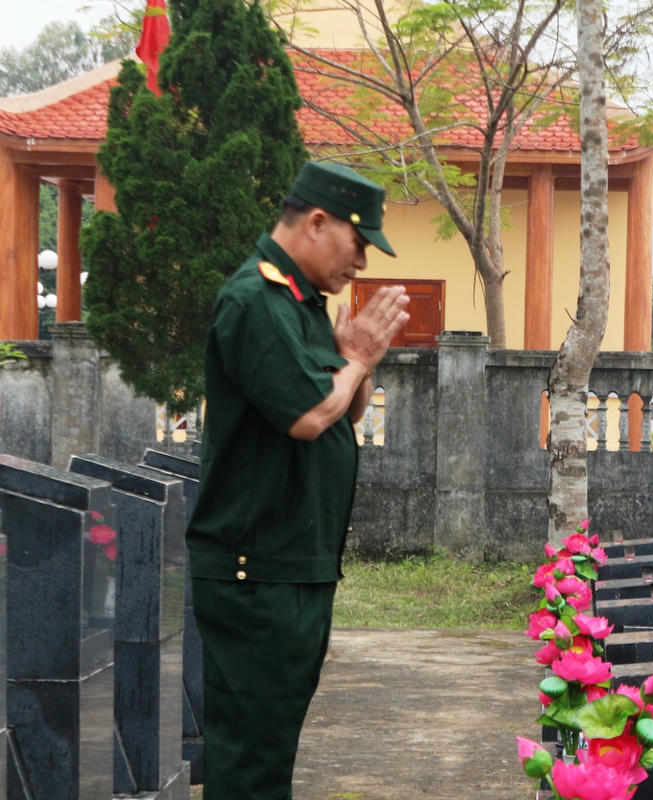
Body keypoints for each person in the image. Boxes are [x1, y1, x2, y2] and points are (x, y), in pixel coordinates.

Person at [186, 161, 410, 799]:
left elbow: (344, 410)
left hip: (291, 565)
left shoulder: (301, 301)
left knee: (270, 745)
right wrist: (356, 359)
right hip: (256, 572)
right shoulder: (256, 300)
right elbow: (310, 416)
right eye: (359, 241)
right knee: (250, 757)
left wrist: (358, 365)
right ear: (317, 222)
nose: (362, 261)